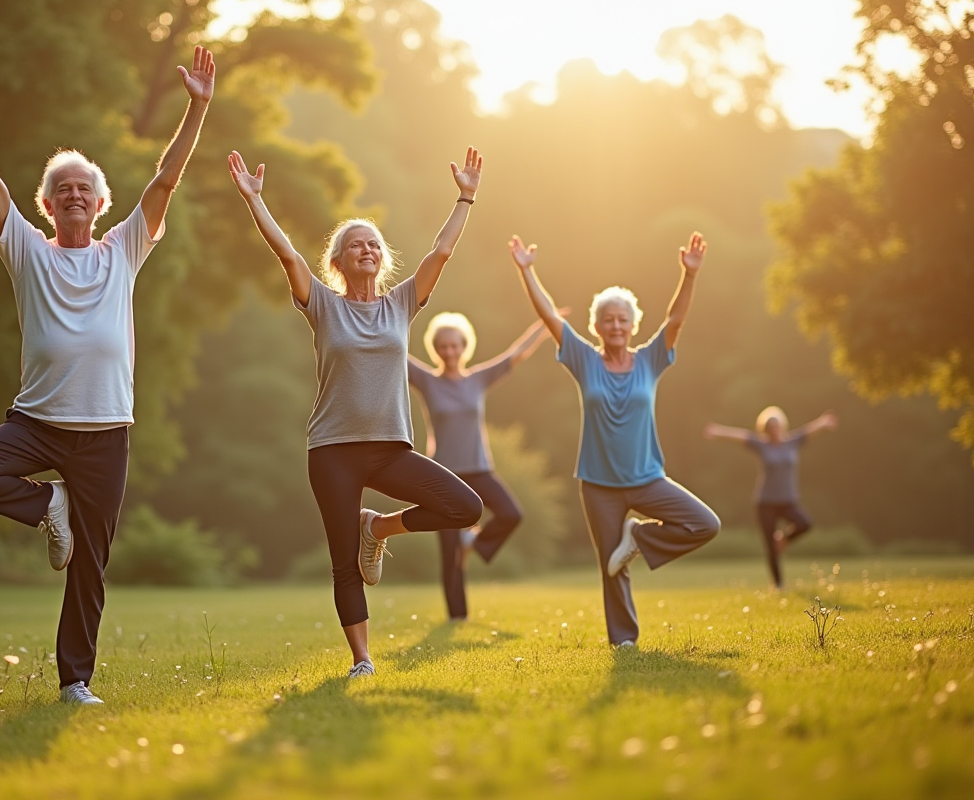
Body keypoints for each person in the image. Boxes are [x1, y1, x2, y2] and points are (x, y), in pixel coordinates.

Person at [0, 35, 216, 705]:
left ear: (101, 201)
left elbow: (165, 180)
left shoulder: (124, 251)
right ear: (48, 206)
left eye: (84, 187)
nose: (73, 194)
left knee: (91, 563)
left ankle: (75, 682)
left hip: (106, 432)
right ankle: (48, 505)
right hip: (37, 424)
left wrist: (197, 108)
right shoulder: (27, 252)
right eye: (62, 189)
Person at [228, 146, 486, 678]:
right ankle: (362, 659)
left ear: (381, 257)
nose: (365, 249)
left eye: (372, 244)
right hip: (332, 451)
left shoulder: (401, 304)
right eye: (354, 245)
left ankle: (380, 528)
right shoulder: (323, 305)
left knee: (465, 507)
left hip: (390, 450)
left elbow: (440, 251)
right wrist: (255, 201)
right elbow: (287, 255)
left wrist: (465, 197)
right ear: (339, 262)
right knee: (343, 561)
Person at [510, 231, 720, 648]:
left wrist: (690, 275)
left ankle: (639, 538)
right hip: (599, 484)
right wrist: (527, 271)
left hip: (647, 477)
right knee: (611, 563)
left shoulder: (650, 360)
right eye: (608, 319)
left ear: (633, 324)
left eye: (623, 319)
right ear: (597, 326)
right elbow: (550, 316)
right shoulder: (584, 359)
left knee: (704, 523)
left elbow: (675, 321)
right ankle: (624, 639)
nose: (616, 325)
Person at [407, 312, 552, 621]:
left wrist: (545, 323)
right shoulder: (427, 381)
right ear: (435, 349)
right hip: (443, 475)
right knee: (450, 552)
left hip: (478, 468)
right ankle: (457, 616)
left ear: (464, 346)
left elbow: (515, 354)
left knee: (511, 514)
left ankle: (474, 541)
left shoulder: (478, 379)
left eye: (454, 345)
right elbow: (395, 352)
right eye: (443, 346)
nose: (449, 351)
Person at [704, 408, 838, 588]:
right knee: (770, 546)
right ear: (765, 430)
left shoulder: (792, 442)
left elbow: (808, 430)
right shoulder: (762, 445)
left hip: (788, 500)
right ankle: (778, 585)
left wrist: (823, 422)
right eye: (770, 427)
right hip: (765, 502)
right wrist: (718, 431)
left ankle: (784, 539)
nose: (774, 430)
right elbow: (741, 436)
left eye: (776, 426)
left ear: (782, 426)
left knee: (805, 523)